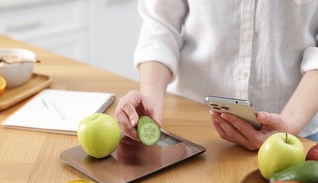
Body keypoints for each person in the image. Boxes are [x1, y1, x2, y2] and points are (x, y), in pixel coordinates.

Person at [115, 0, 318, 150]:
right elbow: (160, 25)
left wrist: (290, 122)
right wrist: (149, 101)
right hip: (192, 126)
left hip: (298, 134)